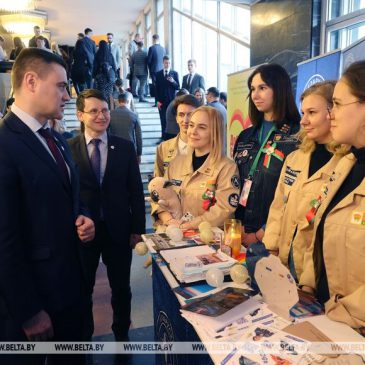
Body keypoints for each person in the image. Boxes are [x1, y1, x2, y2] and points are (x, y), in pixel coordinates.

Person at [0, 48, 95, 364]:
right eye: (60, 85)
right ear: (30, 81)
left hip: (71, 288)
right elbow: (4, 239)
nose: (68, 95)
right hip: (36, 301)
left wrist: (83, 217)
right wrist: (28, 311)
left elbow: (72, 195)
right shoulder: (5, 144)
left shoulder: (53, 137)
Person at [69, 89, 145, 342]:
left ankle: (122, 334)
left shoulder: (124, 147)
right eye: (94, 111)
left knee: (121, 288)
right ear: (80, 115)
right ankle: (85, 337)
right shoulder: (68, 148)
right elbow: (66, 193)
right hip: (84, 233)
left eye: (104, 110)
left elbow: (136, 191)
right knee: (82, 289)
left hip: (119, 230)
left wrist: (138, 229)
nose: (101, 116)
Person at [300, 60, 365, 331]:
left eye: (337, 104)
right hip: (325, 317)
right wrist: (307, 285)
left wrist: (343, 315)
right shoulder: (345, 165)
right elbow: (318, 232)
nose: (330, 115)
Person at [263, 81, 350, 281]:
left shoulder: (347, 163)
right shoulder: (295, 158)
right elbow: (278, 207)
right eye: (303, 113)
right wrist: (272, 247)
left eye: (312, 112)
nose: (303, 121)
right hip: (283, 260)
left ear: (333, 112)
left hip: (317, 271)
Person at [234, 63, 300, 246]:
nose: (255, 95)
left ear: (279, 89)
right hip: (239, 231)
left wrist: (260, 233)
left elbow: (294, 196)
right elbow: (234, 181)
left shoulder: (298, 136)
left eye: (262, 88)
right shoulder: (245, 135)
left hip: (274, 238)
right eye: (253, 89)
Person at [153, 106, 240, 230]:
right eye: (191, 125)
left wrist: (188, 226)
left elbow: (223, 210)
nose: (193, 132)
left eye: (202, 127)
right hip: (174, 236)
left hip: (207, 240)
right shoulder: (176, 162)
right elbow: (161, 196)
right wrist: (169, 220)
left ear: (215, 133)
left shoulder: (226, 168)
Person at [154, 93, 200, 177]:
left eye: (190, 114)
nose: (185, 120)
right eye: (181, 115)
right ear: (176, 118)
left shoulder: (209, 148)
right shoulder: (163, 149)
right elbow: (157, 182)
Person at [109, 91, 142, 163]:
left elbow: (106, 132)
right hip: (130, 147)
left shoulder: (110, 114)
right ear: (127, 101)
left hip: (114, 147)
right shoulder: (134, 115)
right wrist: (139, 153)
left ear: (118, 101)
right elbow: (138, 136)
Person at [155, 55, 180, 140]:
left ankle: (172, 137)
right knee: (162, 120)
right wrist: (157, 101)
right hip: (161, 101)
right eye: (166, 63)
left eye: (169, 63)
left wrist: (173, 81)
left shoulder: (175, 73)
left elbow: (178, 87)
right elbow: (156, 89)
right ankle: (163, 137)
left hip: (172, 101)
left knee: (172, 120)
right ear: (163, 63)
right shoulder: (158, 74)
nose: (168, 64)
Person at [93, 40, 116, 108]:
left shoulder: (97, 54)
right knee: (110, 93)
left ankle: (102, 108)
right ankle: (110, 109)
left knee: (101, 93)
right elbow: (114, 66)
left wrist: (94, 75)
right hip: (110, 75)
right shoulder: (110, 54)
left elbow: (95, 66)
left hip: (100, 76)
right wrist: (115, 74)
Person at [147, 34, 166, 107]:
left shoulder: (151, 48)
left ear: (153, 39)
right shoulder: (163, 48)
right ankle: (162, 102)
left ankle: (156, 102)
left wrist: (149, 68)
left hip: (154, 70)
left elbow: (149, 60)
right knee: (161, 86)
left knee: (156, 87)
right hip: (162, 70)